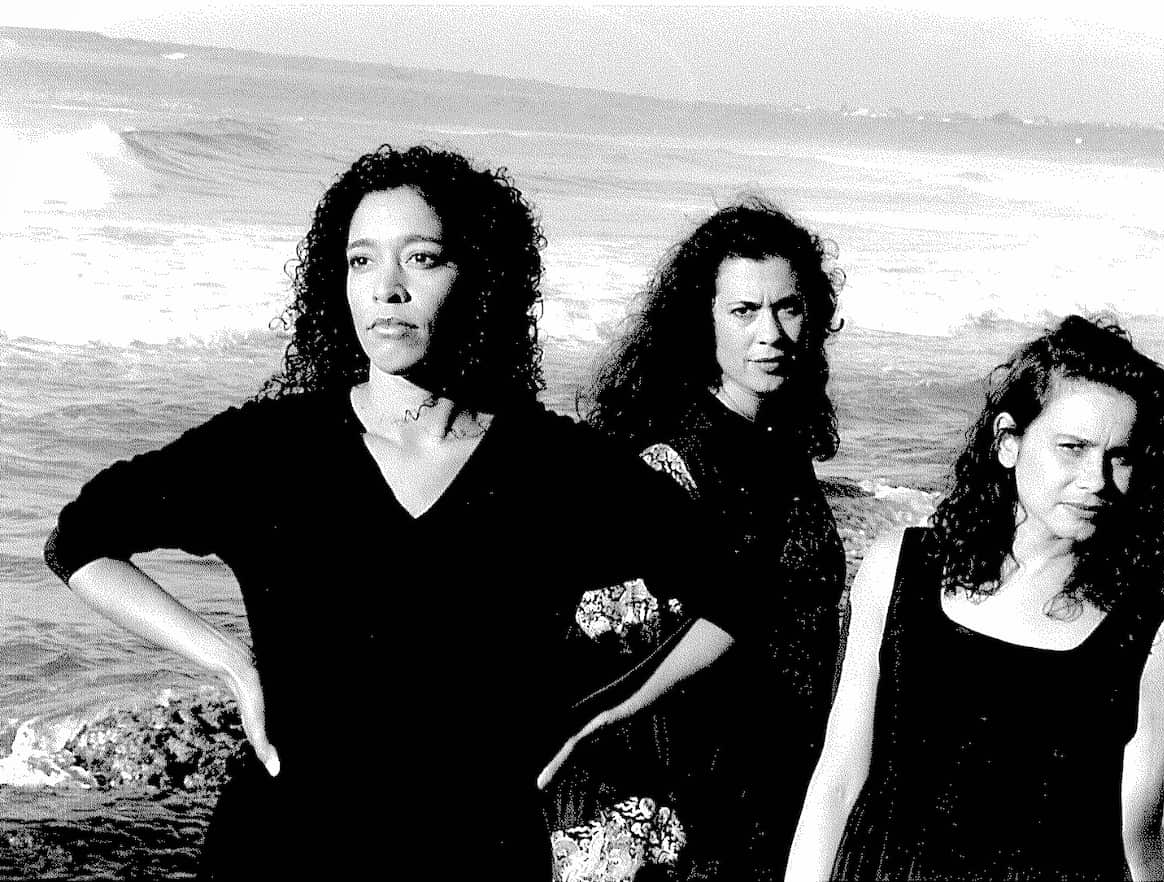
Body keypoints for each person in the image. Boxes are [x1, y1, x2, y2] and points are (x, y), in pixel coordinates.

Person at [43, 145, 749, 880]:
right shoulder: (270, 450)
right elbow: (80, 540)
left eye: (422, 259)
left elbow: (735, 590)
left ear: (478, 276)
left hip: (477, 852)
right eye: (361, 262)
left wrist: (603, 710)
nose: (387, 289)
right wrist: (229, 660)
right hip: (282, 849)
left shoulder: (557, 468)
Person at [785, 315, 1164, 881]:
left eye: (1120, 456)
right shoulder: (898, 569)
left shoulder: (1146, 630)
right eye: (1072, 447)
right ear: (1008, 442)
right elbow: (837, 778)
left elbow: (1135, 833)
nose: (1096, 479)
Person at [542, 198, 847, 881]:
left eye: (789, 308)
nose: (771, 333)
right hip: (673, 824)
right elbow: (612, 666)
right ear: (701, 321)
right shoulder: (668, 466)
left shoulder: (782, 451)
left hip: (768, 802)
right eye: (744, 311)